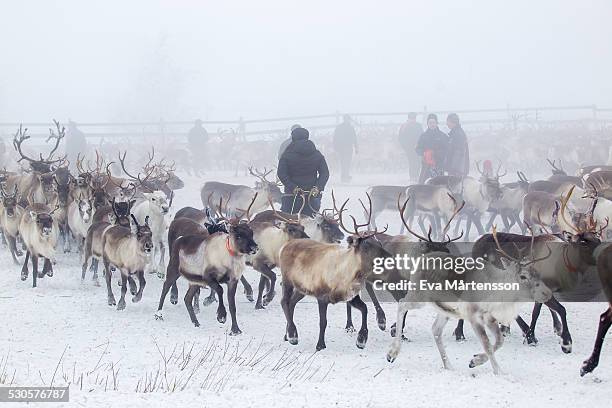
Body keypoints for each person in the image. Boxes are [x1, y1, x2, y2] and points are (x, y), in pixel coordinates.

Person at [277, 127, 329, 216]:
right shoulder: (317, 154)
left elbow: (281, 173)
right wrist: (318, 187)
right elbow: (324, 173)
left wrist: (293, 187)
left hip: (292, 196)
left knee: (290, 224)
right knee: (311, 223)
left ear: (293, 138)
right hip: (312, 196)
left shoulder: (287, 155)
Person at [415, 113, 449, 183]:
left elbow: (447, 149)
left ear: (437, 123)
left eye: (433, 122)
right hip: (426, 165)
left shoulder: (442, 136)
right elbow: (417, 149)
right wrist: (424, 153)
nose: (432, 124)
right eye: (430, 122)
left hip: (439, 165)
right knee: (424, 185)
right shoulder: (423, 136)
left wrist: (436, 153)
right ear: (427, 124)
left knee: (439, 184)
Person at [332, 114, 358, 183]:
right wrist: (356, 147)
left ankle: (345, 176)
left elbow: (335, 138)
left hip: (343, 147)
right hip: (346, 147)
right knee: (346, 162)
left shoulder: (339, 127)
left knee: (344, 162)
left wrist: (335, 147)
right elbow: (354, 138)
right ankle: (345, 176)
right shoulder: (350, 127)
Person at [398, 112, 423, 181]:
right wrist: (406, 147)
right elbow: (401, 138)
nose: (413, 119)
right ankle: (412, 177)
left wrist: (420, 146)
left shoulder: (418, 125)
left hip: (418, 148)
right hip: (409, 149)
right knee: (412, 162)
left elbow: (422, 136)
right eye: (412, 118)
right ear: (409, 118)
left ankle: (416, 176)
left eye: (414, 118)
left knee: (418, 162)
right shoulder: (404, 126)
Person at [445, 113, 470, 177]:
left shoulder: (458, 134)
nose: (447, 124)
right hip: (456, 168)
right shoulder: (455, 133)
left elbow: (458, 153)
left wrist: (453, 168)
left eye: (448, 122)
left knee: (455, 185)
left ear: (454, 122)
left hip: (457, 169)